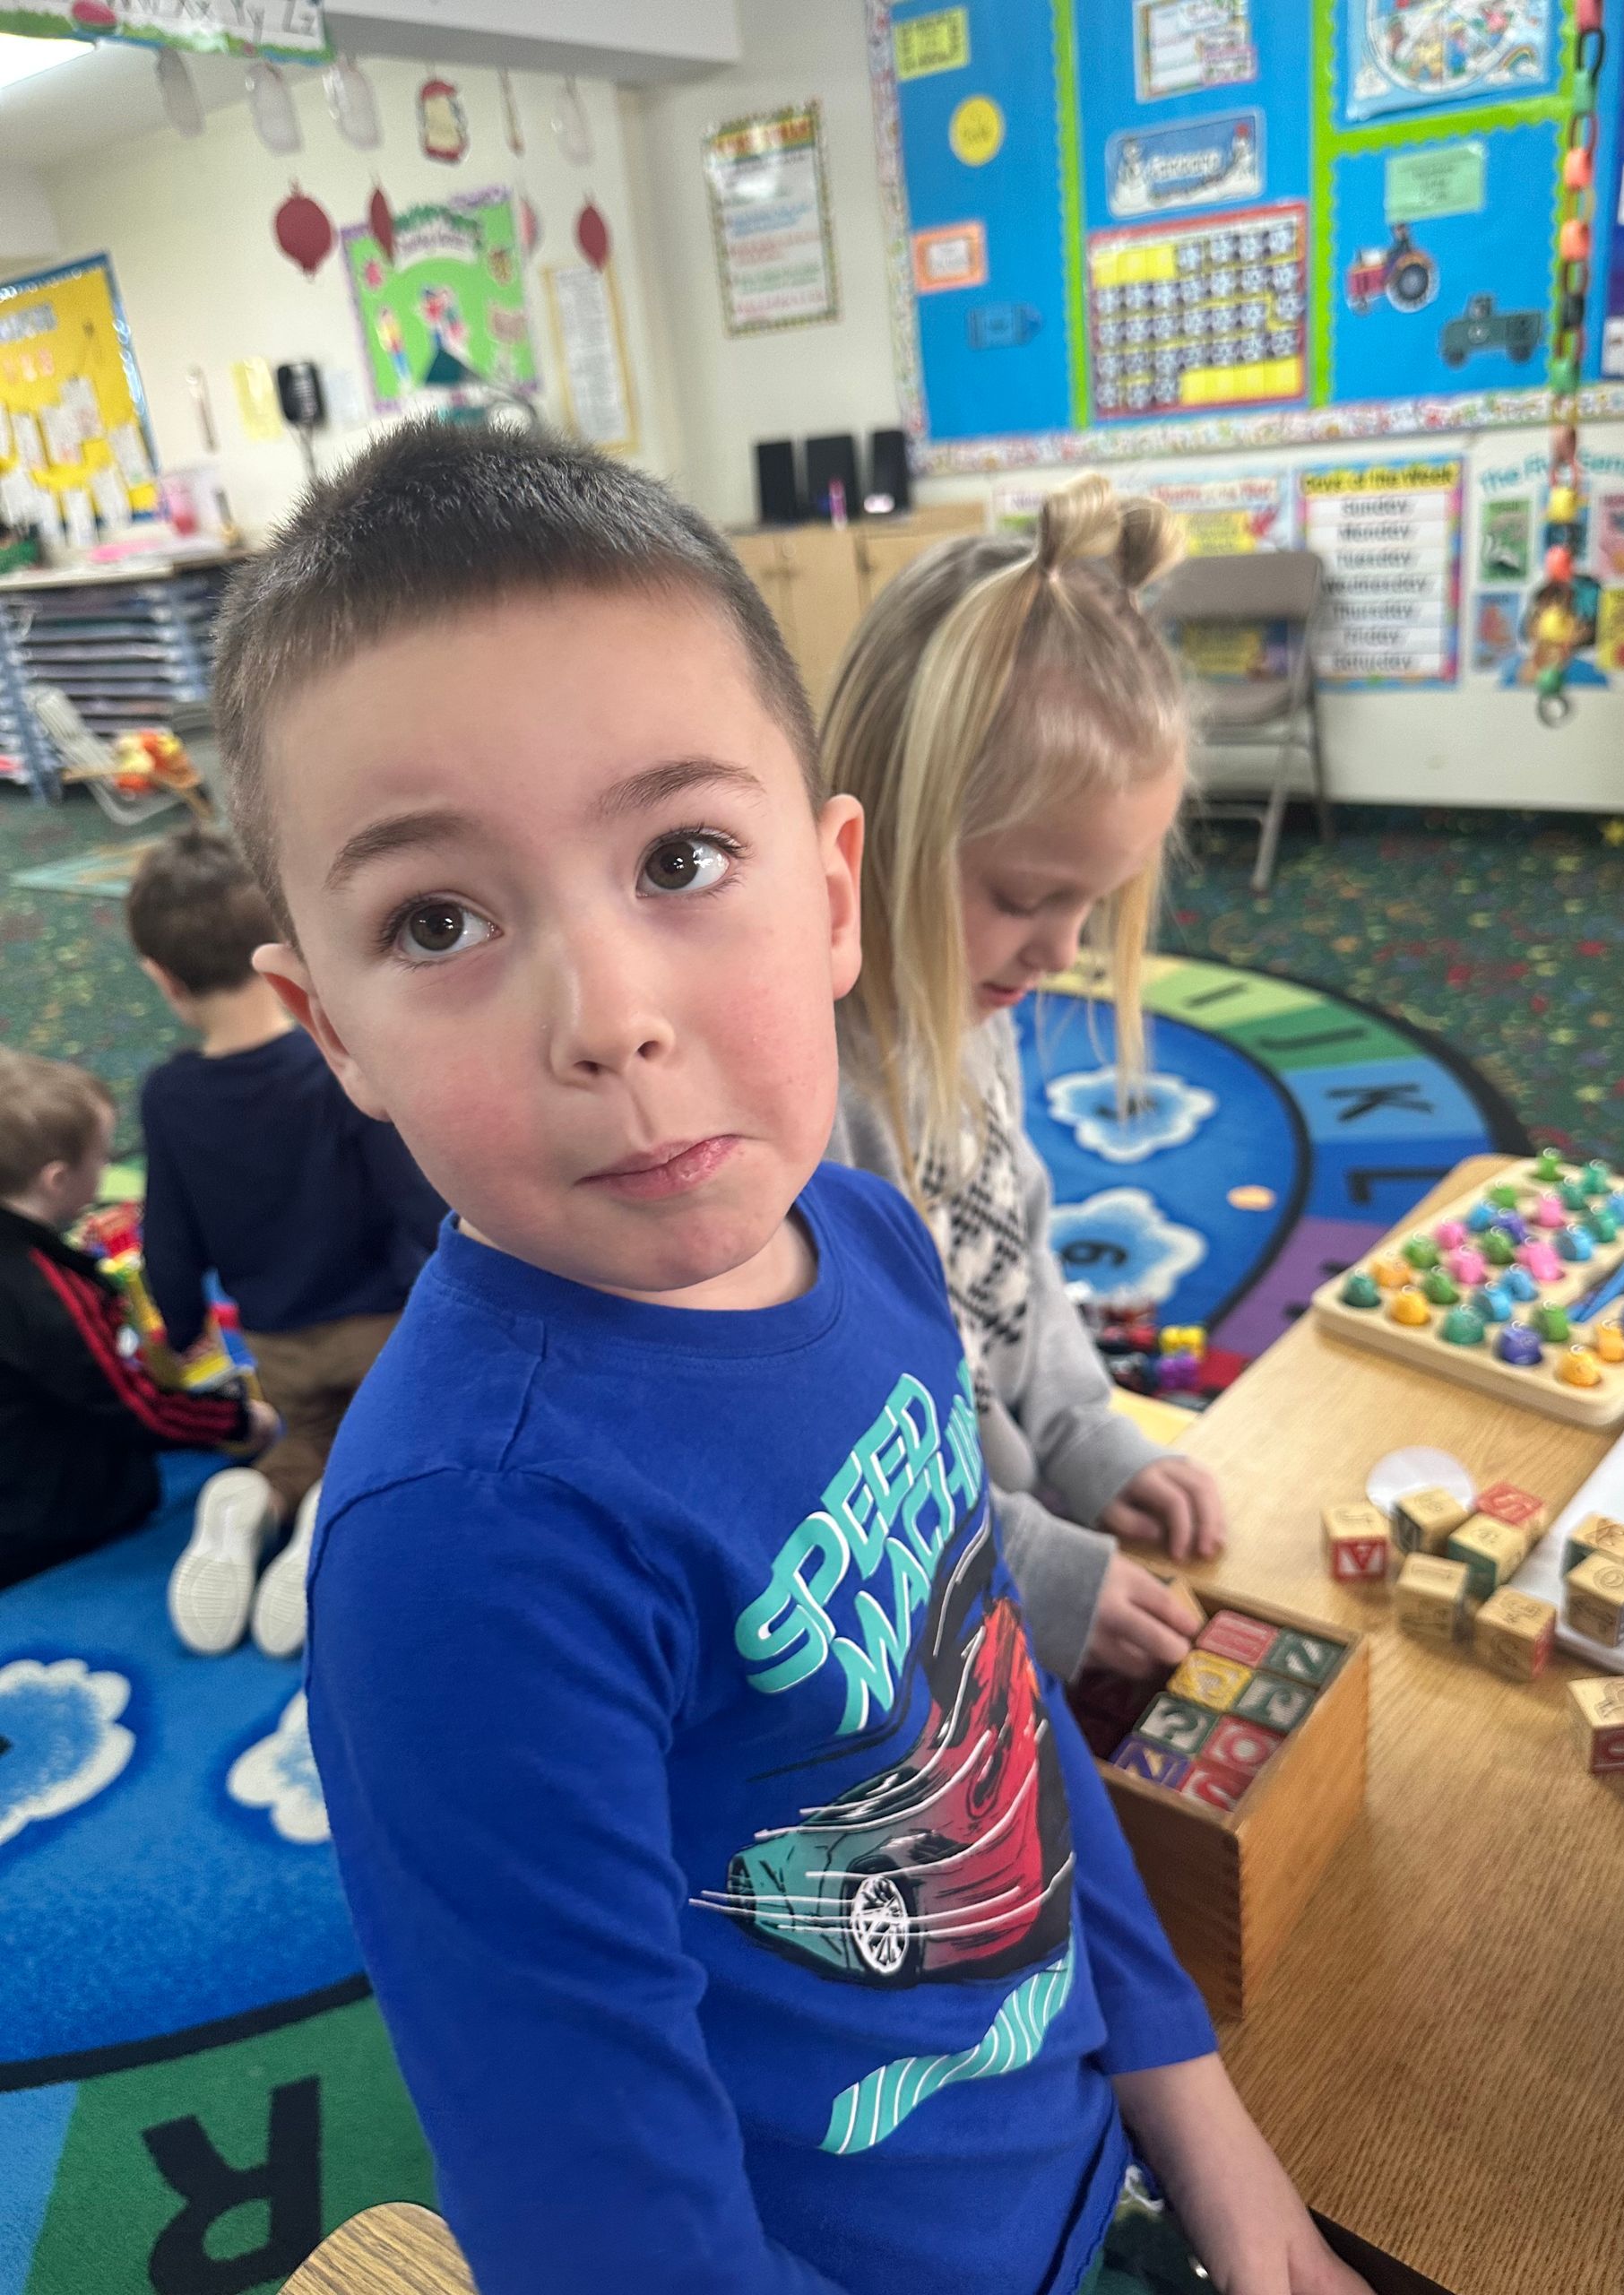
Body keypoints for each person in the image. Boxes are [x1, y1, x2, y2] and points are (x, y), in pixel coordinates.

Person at [223, 424, 1363, 2295]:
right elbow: (614, 2239)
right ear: (325, 1023)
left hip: (1096, 2168)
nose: (615, 1019)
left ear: (835, 889)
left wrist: (1211, 2133)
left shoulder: (877, 1239)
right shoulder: (463, 1552)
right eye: (437, 919)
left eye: (681, 854)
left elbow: (996, 1725)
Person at [823, 477, 1225, 1686]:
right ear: (879, 830)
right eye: (1023, 897)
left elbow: (1019, 1257)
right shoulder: (807, 1095)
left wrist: (1088, 1432)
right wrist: (1023, 1569)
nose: (1061, 953)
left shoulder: (970, 999)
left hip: (1006, 1512)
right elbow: (824, 1445)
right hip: (908, 1603)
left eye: (1091, 903)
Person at [126, 828, 443, 1658]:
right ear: (284, 947)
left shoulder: (168, 1095)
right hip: (385, 1327)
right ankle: (327, 1524)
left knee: (302, 1437)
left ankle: (260, 1502)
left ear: (163, 978)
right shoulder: (336, 1062)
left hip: (277, 1340)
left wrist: (185, 1316)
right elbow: (412, 1199)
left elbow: (170, 1230)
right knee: (388, 1444)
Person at [0, 1047, 276, 1590]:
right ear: (56, 1180)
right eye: (101, 1158)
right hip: (38, 1518)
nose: (106, 1170)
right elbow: (135, 1407)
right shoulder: (45, 1290)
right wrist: (240, 1421)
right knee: (134, 1474)